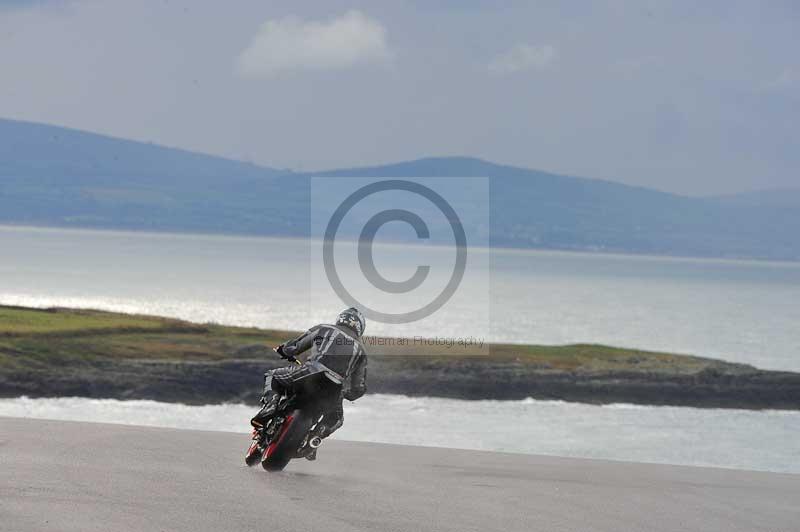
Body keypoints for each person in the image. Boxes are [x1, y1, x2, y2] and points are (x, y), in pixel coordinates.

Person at [250, 307, 368, 460]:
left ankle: (271, 407)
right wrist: (347, 394)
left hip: (311, 373)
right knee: (336, 418)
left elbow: (295, 346)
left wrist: (284, 351)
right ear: (360, 328)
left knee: (272, 375)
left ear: (341, 318)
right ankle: (315, 437)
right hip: (334, 388)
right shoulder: (361, 351)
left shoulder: (324, 329)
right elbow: (358, 388)